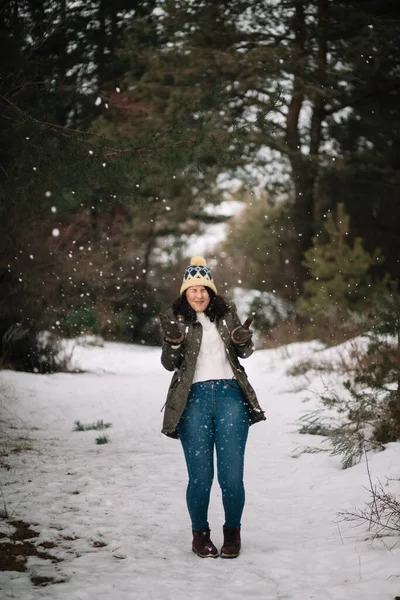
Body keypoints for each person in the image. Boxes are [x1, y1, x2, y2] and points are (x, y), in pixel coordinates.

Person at [159, 255, 266, 559]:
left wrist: (245, 341)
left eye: (204, 288)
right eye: (193, 289)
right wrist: (174, 343)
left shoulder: (226, 313)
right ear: (185, 292)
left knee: (231, 477)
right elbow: (169, 364)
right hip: (193, 400)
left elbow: (243, 352)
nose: (199, 294)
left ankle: (232, 533)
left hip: (231, 396)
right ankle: (200, 535)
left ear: (211, 291)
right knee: (200, 478)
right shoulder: (176, 319)